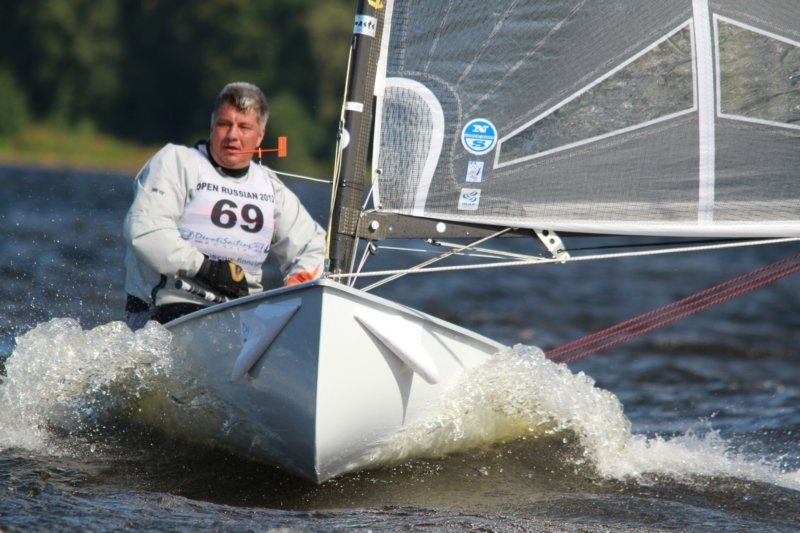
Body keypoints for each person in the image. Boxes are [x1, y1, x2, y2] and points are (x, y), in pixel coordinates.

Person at [123, 82, 326, 330]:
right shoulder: (178, 162)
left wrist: (293, 299)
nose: (232, 136)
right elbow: (144, 233)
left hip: (238, 317)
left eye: (244, 127)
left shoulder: (270, 187)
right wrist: (207, 269)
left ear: (260, 136)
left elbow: (312, 245)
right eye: (224, 124)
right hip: (165, 312)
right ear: (212, 127)